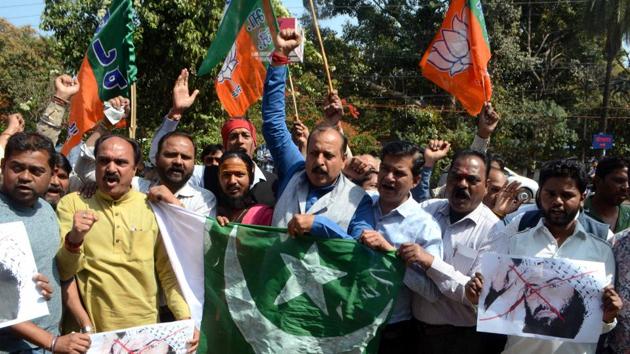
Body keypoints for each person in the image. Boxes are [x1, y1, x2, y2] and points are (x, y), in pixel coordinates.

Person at [55, 134, 198, 350]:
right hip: (89, 338)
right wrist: (74, 239)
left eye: (121, 162)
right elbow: (64, 272)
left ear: (135, 169)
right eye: (104, 161)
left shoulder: (153, 207)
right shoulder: (72, 204)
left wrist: (186, 320)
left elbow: (168, 274)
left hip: (144, 335)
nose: (111, 168)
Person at [467, 158, 622, 354]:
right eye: (551, 193)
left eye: (567, 195)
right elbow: (496, 308)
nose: (557, 201)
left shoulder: (601, 250)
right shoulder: (515, 243)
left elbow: (598, 323)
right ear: (540, 194)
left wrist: (608, 316)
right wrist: (477, 299)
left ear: (582, 197)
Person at [331, 141, 443, 354]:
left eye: (398, 173)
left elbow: (432, 292)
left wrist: (392, 256)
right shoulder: (359, 203)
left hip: (391, 334)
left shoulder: (425, 227)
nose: (389, 178)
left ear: (416, 180)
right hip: (342, 321)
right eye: (385, 169)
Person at [261, 28, 375, 239]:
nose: (319, 162)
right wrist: (280, 57)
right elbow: (273, 123)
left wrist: (320, 225)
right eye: (313, 153)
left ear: (344, 160)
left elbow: (362, 254)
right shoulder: (293, 172)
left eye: (329, 155)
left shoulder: (359, 200)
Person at [404, 149, 502, 354]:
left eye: (472, 180)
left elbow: (472, 294)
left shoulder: (494, 230)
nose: (462, 184)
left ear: (486, 187)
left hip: (460, 341)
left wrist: (430, 262)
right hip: (413, 333)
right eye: (456, 176)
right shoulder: (427, 210)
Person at [0, 132, 90, 352]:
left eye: (36, 171)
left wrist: (85, 323)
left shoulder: (46, 210)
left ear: (52, 174)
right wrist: (51, 342)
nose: (25, 177)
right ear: (3, 166)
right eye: (17, 167)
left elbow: (60, 274)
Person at [149, 69, 277, 206]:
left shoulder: (274, 183)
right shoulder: (206, 175)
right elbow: (156, 159)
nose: (240, 141)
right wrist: (175, 113)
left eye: (245, 135)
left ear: (255, 143)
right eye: (233, 136)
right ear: (225, 145)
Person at [141, 131, 216, 217]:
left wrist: (172, 201)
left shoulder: (204, 200)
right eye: (171, 155)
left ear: (194, 163)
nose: (178, 162)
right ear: (157, 159)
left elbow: (197, 229)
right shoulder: (137, 188)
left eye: (185, 157)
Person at [215, 151, 274, 226]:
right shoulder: (210, 211)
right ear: (219, 177)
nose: (232, 181)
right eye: (226, 175)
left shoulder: (264, 216)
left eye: (239, 175)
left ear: (251, 178)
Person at [583, 157, 630, 233]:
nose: (626, 187)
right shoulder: (578, 214)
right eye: (619, 181)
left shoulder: (628, 215)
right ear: (598, 181)